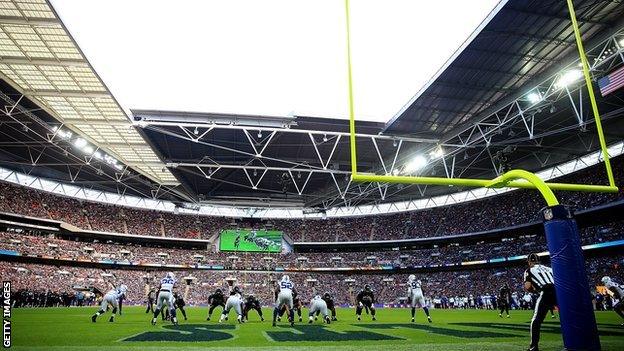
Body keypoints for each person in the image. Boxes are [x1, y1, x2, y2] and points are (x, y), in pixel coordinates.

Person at [523, 253, 556, 351]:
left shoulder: (529, 270)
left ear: (529, 262)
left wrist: (534, 290)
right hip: (559, 292)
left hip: (546, 292)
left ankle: (533, 347)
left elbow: (528, 286)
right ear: (539, 261)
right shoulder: (550, 268)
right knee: (569, 316)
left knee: (536, 321)